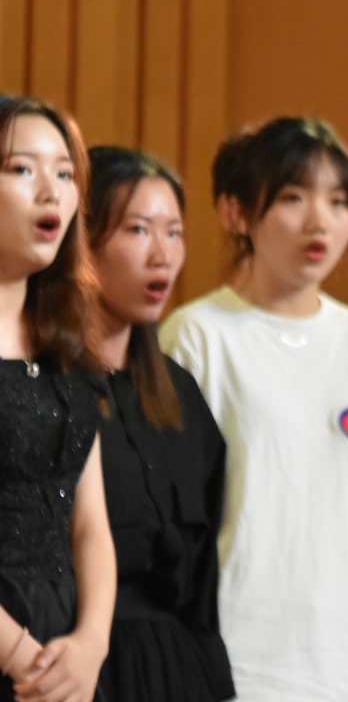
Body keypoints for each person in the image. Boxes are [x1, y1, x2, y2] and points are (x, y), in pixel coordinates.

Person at [162, 117, 348, 702]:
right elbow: (172, 516)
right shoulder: (198, 336)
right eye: (294, 198)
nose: (319, 221)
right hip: (239, 662)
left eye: (338, 201)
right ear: (237, 213)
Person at [85, 146, 233, 702]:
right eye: (138, 230)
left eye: (174, 233)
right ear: (82, 241)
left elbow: (202, 582)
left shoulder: (180, 394)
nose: (162, 255)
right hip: (74, 664)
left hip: (174, 671)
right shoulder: (40, 388)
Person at [0, 96, 116, 702]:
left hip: (64, 645)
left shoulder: (65, 343)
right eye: (22, 169)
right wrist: (23, 658)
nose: (52, 192)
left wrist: (91, 643)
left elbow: (90, 524)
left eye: (65, 174)